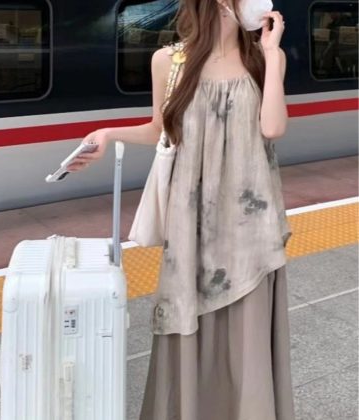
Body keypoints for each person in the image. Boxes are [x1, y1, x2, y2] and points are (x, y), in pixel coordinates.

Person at [67, 1, 296, 419]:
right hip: (192, 222)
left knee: (246, 330)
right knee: (188, 316)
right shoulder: (168, 61)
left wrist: (272, 52)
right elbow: (160, 128)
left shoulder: (264, 58)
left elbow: (273, 127)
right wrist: (107, 134)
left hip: (252, 226)